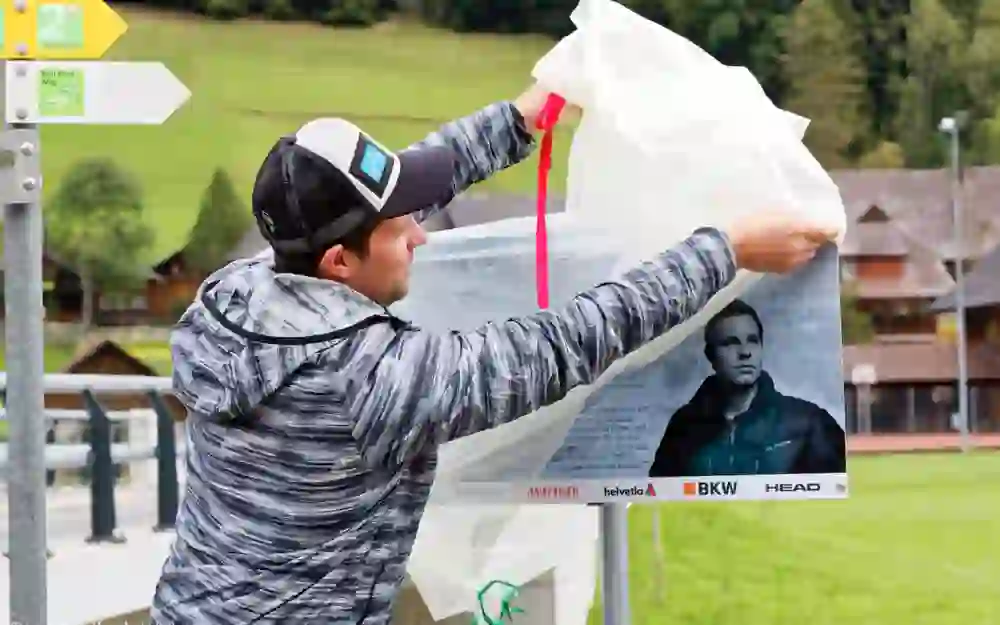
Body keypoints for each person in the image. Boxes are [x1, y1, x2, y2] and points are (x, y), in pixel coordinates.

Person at [149, 84, 836, 624]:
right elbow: (565, 341)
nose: (420, 236)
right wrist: (727, 250)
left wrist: (519, 119)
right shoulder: (372, 381)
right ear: (337, 262)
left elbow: (406, 185)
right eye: (400, 229)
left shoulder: (232, 294)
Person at [647, 299, 847, 478]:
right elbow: (661, 495)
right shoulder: (683, 428)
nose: (745, 353)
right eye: (730, 343)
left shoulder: (809, 424)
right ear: (711, 355)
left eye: (752, 341)